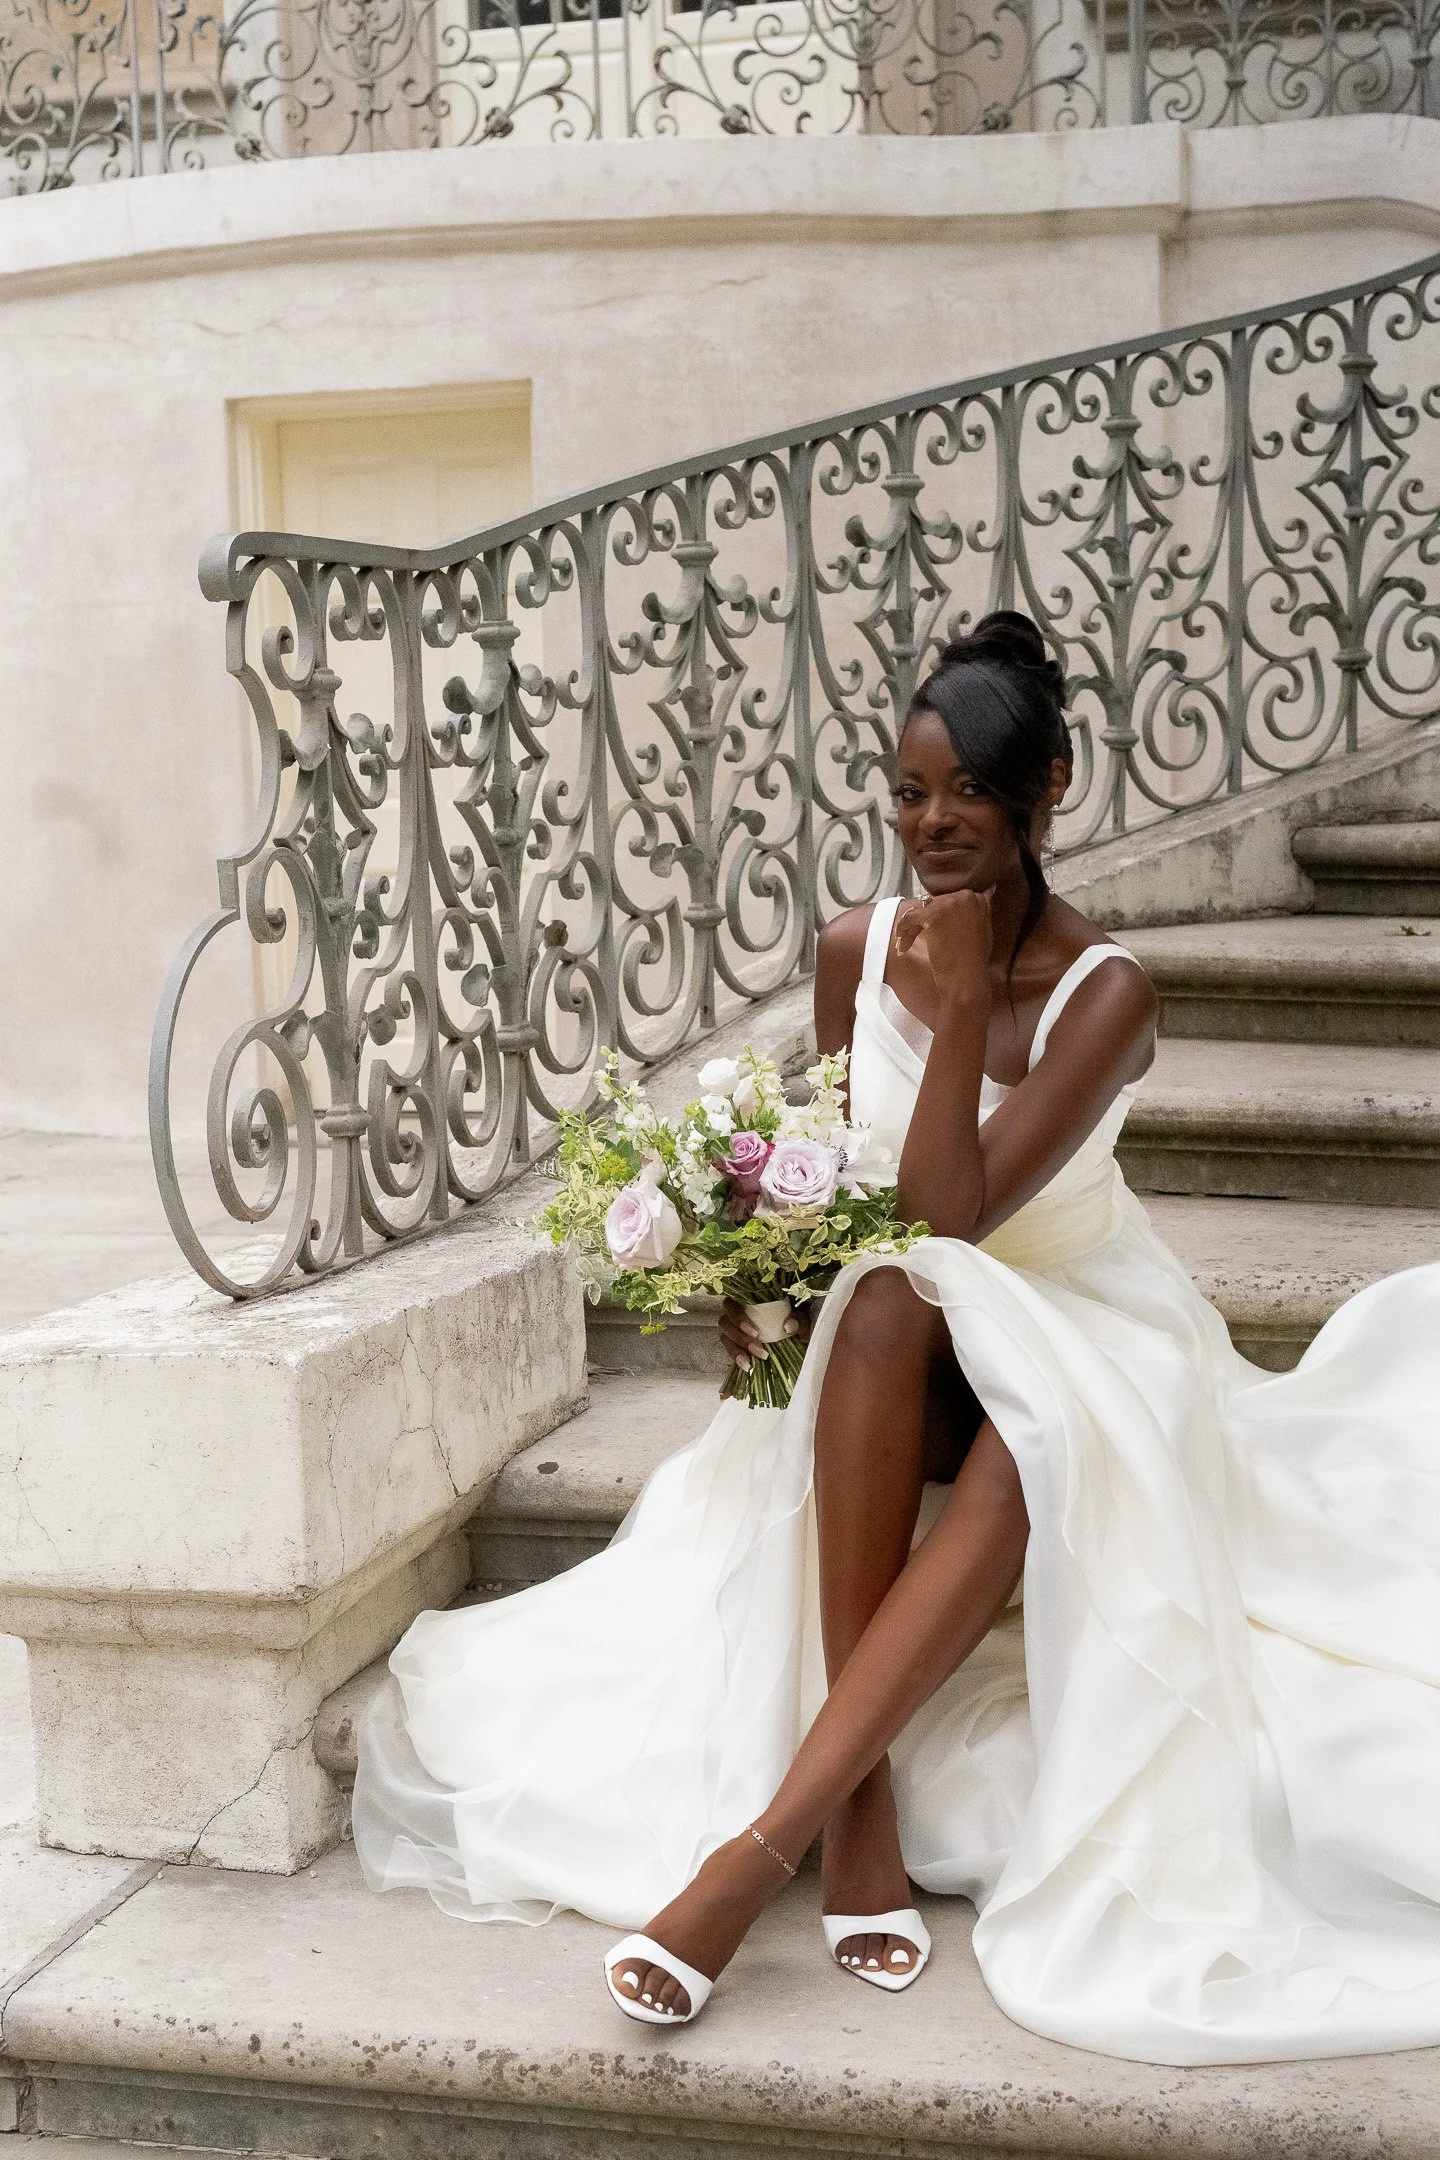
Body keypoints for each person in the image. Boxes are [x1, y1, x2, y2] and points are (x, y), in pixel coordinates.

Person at [354, 611, 1440, 2067]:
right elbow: (844, 1208)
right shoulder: (853, 951)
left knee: (1015, 1429)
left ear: (1047, 789)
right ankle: (859, 1805)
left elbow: (956, 1207)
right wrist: (752, 1289)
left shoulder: (1106, 991)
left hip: (1088, 1333)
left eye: (968, 795)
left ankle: (754, 1858)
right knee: (868, 1299)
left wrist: (950, 999)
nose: (931, 826)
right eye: (908, 795)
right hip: (909, 1334)